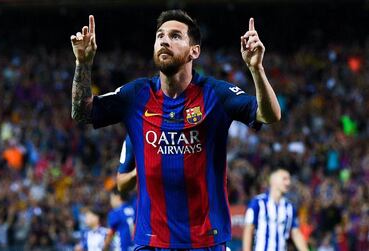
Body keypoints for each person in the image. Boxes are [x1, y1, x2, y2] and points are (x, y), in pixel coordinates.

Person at [70, 9, 281, 250]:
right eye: (160, 35)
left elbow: (269, 115)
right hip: (150, 243)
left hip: (206, 241)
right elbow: (82, 113)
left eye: (175, 36)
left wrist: (257, 69)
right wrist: (83, 65)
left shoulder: (216, 93)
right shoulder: (136, 95)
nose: (164, 40)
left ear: (195, 50)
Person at [243, 168, 308, 251]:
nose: (288, 183)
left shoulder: (290, 207)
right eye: (284, 179)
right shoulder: (258, 203)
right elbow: (248, 229)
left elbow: (296, 233)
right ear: (273, 181)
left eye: (289, 179)